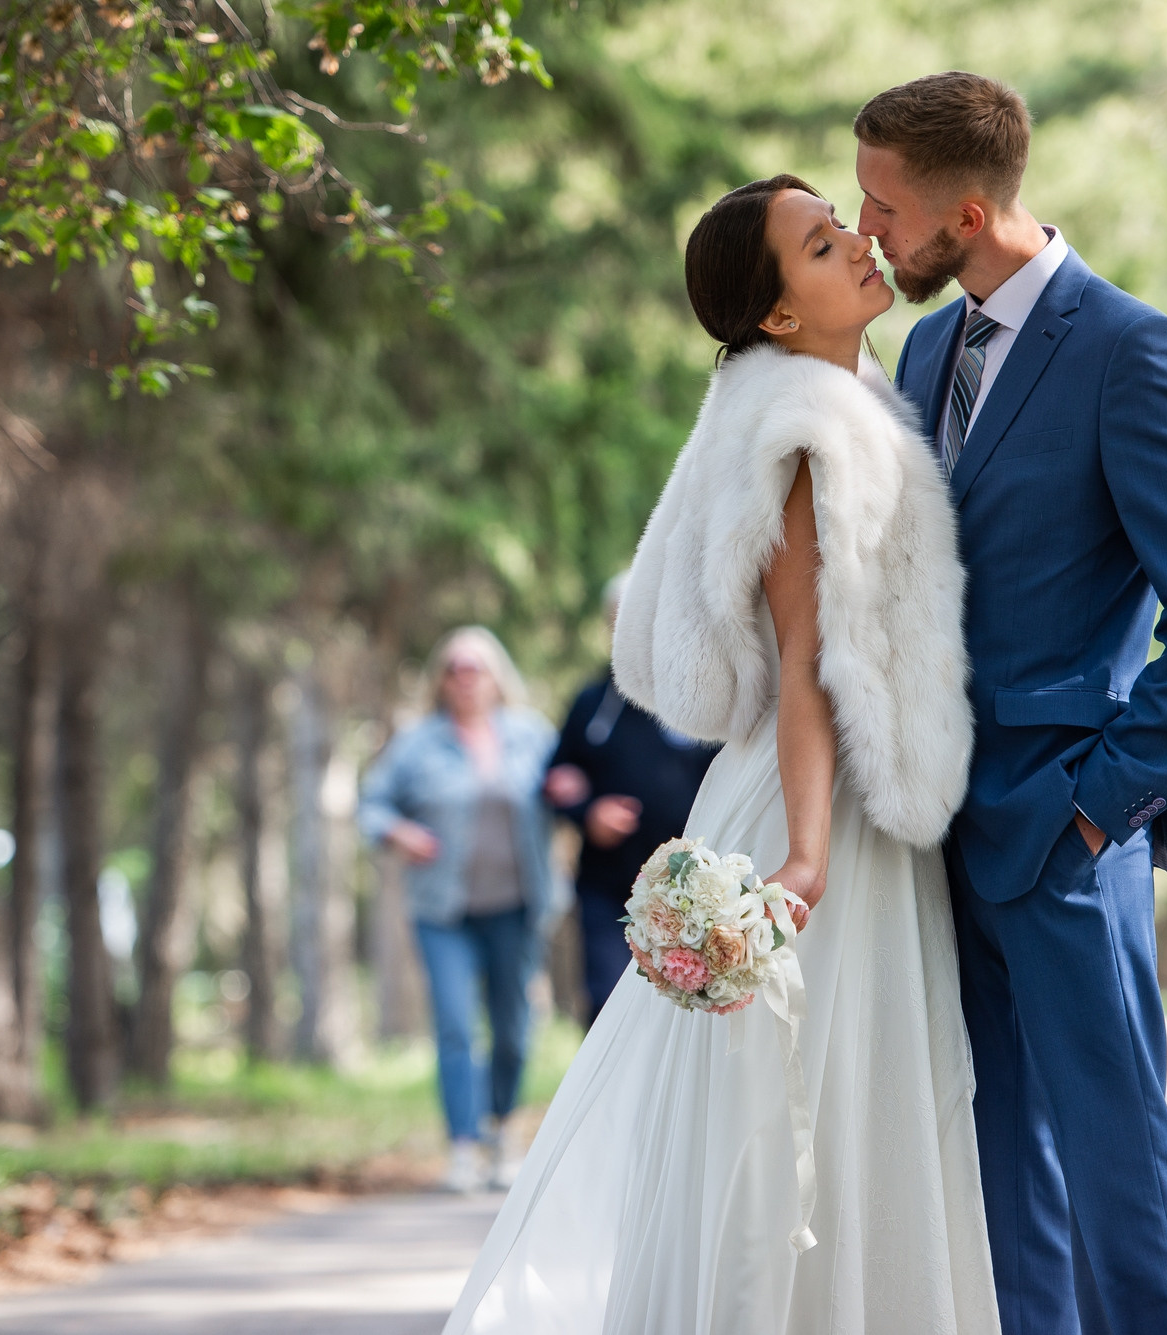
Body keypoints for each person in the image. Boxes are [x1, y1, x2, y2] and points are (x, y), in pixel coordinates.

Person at [445, 174, 1000, 1333]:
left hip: (805, 782)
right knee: (810, 1112)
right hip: (819, 803)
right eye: (817, 243)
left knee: (831, 1106)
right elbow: (808, 659)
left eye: (840, 223)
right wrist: (803, 855)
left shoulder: (827, 401)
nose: (856, 242)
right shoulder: (806, 429)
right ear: (780, 316)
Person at [863, 73, 1167, 1335]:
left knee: (1113, 1173)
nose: (866, 227)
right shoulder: (929, 344)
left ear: (970, 212)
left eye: (884, 207)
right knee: (999, 1179)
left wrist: (1102, 808)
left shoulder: (1128, 350)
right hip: (938, 833)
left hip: (1061, 837)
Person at [358, 626, 558, 1194]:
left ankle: (503, 1130)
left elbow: (570, 787)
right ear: (440, 681)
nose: (466, 679)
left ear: (498, 678)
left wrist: (574, 791)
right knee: (454, 1026)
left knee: (515, 1029)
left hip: (517, 907)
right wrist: (399, 831)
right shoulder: (419, 743)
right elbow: (371, 804)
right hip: (443, 911)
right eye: (454, 669)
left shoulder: (532, 737)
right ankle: (463, 1147)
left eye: (477, 668)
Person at [545, 571, 722, 1025]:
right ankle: (602, 1098)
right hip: (609, 888)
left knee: (680, 1013)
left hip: (689, 889)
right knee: (606, 1000)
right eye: (620, 620)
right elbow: (557, 778)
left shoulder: (701, 691)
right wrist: (588, 811)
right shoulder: (592, 703)